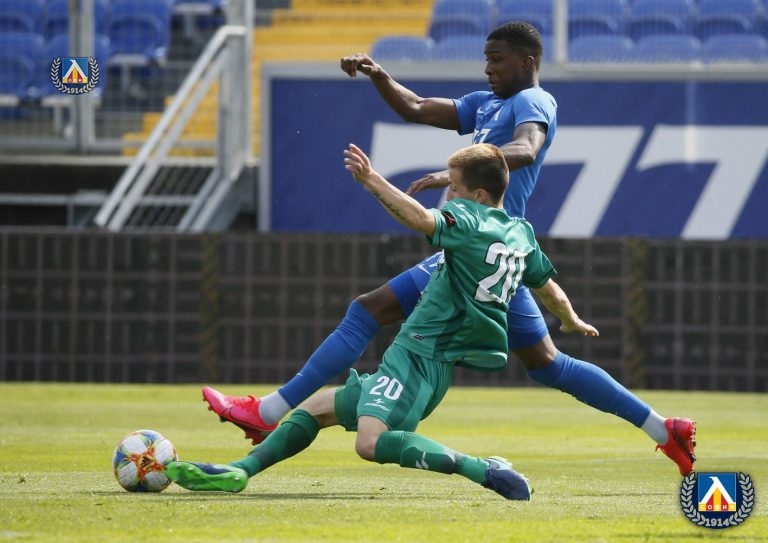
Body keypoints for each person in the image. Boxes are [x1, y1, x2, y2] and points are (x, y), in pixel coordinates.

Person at [203, 21, 696, 476]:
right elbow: (416, 107)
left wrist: (461, 169)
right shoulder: (486, 103)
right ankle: (664, 428)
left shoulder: (534, 102)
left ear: (526, 61)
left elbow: (527, 148)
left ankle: (268, 411)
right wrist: (379, 75)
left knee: (368, 310)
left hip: (478, 243)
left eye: (497, 59)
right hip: (499, 257)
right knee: (548, 364)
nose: (488, 68)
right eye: (486, 59)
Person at [168, 142, 597, 498]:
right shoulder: (521, 234)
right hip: (425, 359)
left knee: (369, 443)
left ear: (480, 195)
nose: (449, 196)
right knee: (316, 409)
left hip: (419, 357)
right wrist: (571, 320)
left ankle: (483, 469)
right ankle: (239, 472)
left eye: (454, 188)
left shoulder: (471, 218)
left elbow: (420, 218)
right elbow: (549, 290)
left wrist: (371, 179)